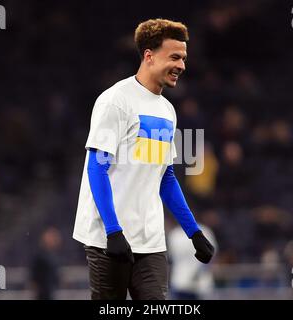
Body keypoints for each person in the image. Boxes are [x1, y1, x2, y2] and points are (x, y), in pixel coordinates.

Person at [73, 18, 215, 300]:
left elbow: (166, 177)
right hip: (108, 239)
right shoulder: (115, 101)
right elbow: (97, 168)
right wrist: (113, 231)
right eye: (174, 57)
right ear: (149, 56)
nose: (182, 66)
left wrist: (193, 231)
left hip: (150, 242)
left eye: (184, 58)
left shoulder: (167, 110)